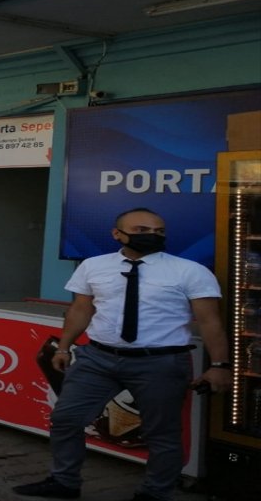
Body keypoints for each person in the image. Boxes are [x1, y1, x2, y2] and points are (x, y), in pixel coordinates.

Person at [12, 208, 228, 501]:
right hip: (98, 359)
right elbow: (81, 309)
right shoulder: (93, 266)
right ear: (117, 234)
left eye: (159, 231)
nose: (152, 236)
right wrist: (64, 346)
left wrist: (219, 365)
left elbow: (210, 321)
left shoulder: (189, 271)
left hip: (160, 363)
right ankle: (64, 482)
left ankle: (155, 493)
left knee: (161, 434)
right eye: (141, 230)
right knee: (66, 419)